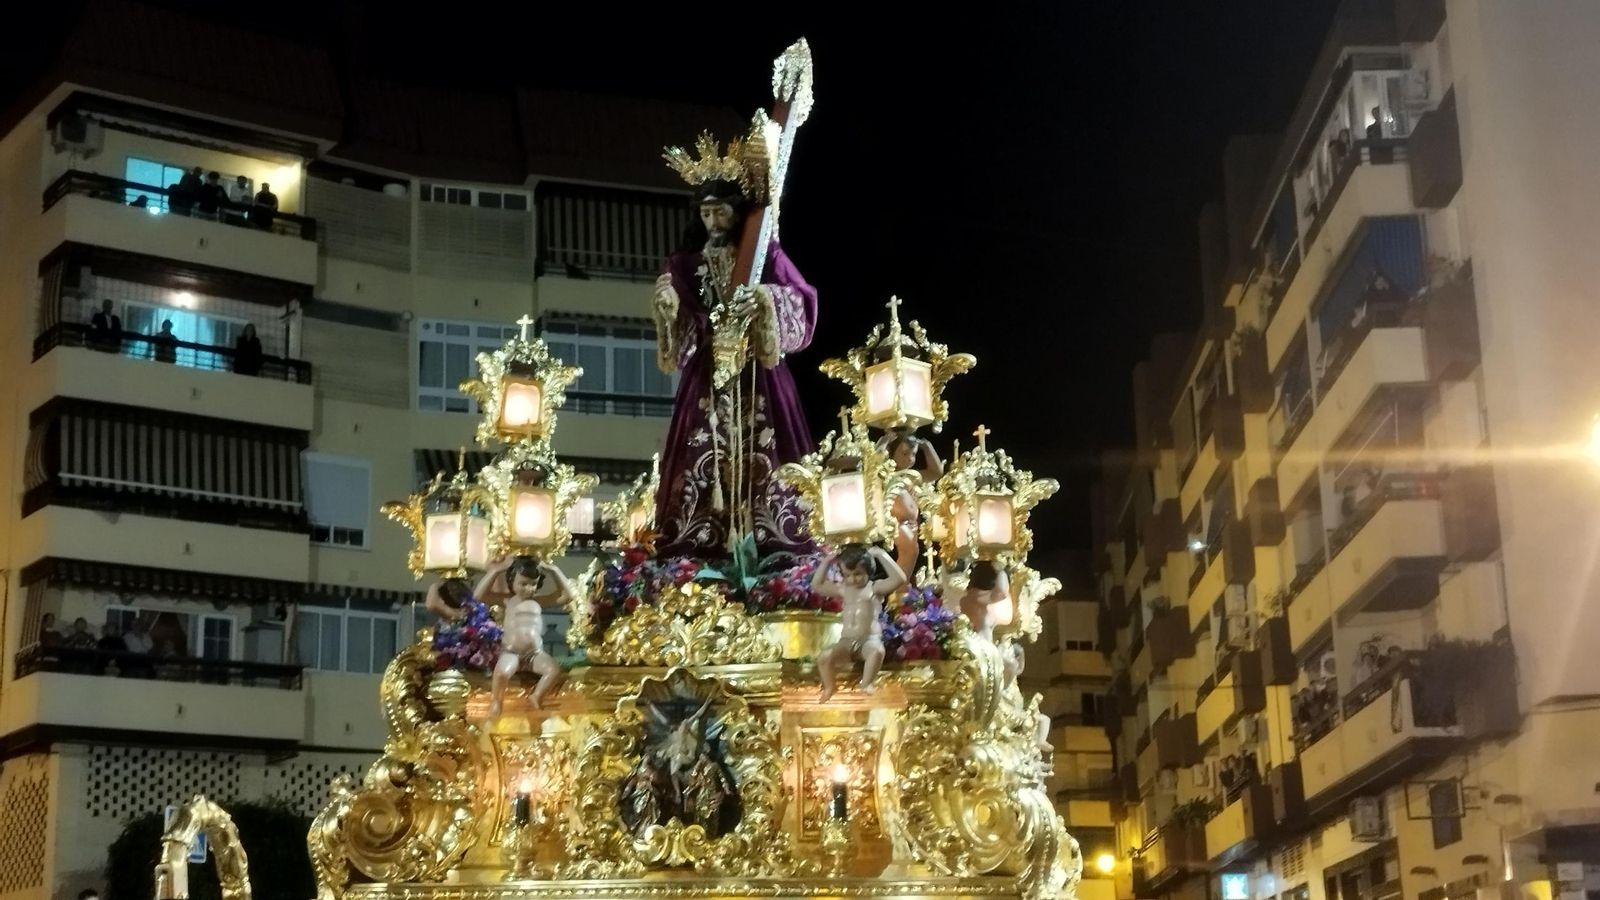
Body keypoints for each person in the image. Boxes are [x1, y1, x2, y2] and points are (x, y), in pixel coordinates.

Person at [651, 134, 818, 556]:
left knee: (769, 448)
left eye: (721, 211)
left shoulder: (763, 253)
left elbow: (800, 294)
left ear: (736, 211)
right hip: (707, 371)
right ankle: (696, 542)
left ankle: (775, 542)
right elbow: (680, 312)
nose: (713, 221)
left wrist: (765, 299)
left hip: (758, 371)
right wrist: (668, 309)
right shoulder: (685, 263)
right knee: (698, 451)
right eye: (705, 213)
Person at [813, 544, 906, 701]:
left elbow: (899, 578)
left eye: (858, 574)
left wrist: (881, 555)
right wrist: (827, 561)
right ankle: (829, 687)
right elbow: (817, 585)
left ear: (868, 572)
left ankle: (867, 683)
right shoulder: (843, 589)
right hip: (846, 642)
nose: (852, 579)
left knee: (876, 652)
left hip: (868, 640)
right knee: (823, 657)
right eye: (847, 575)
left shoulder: (874, 588)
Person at [480, 556, 572, 715]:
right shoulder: (508, 600)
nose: (528, 588)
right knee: (501, 673)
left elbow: (567, 596)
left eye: (533, 584)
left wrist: (554, 571)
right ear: (512, 582)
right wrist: (496, 570)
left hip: (534, 654)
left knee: (553, 670)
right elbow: (479, 595)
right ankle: (496, 703)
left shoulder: (539, 601)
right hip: (512, 653)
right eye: (523, 584)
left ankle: (537, 696)